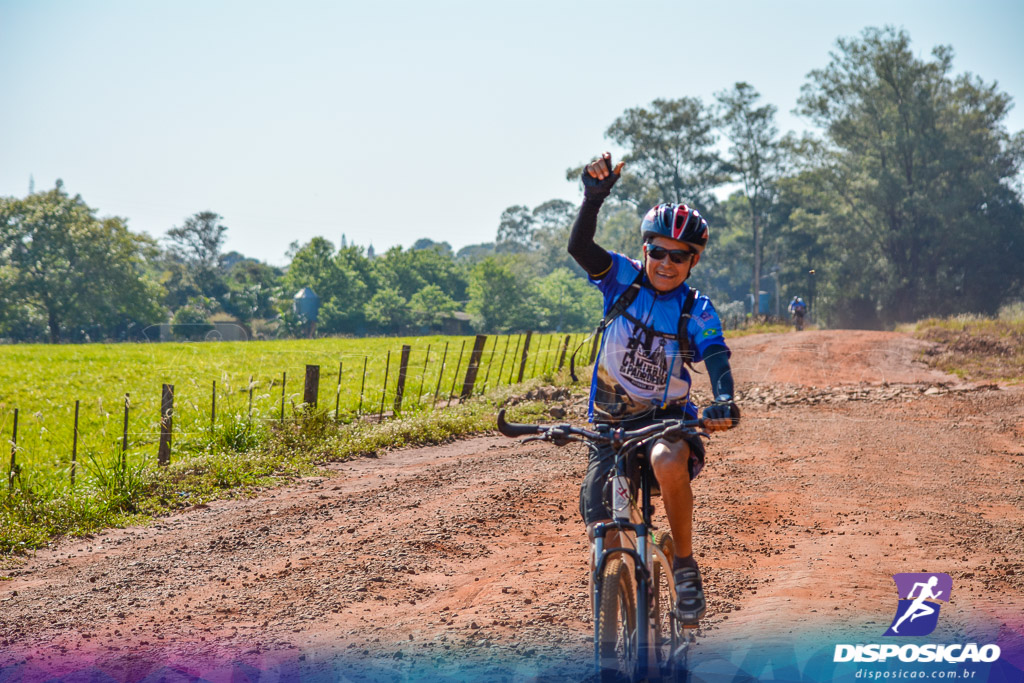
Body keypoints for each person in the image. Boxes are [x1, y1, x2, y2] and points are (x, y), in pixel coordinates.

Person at [567, 152, 739, 627]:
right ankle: (614, 589)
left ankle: (683, 564)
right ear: (645, 249)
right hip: (609, 421)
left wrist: (723, 398)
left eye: (678, 256)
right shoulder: (622, 278)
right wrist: (593, 196)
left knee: (667, 461)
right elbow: (580, 247)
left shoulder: (695, 308)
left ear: (693, 261)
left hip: (667, 421)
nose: (666, 263)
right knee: (599, 515)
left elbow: (716, 356)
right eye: (658, 251)